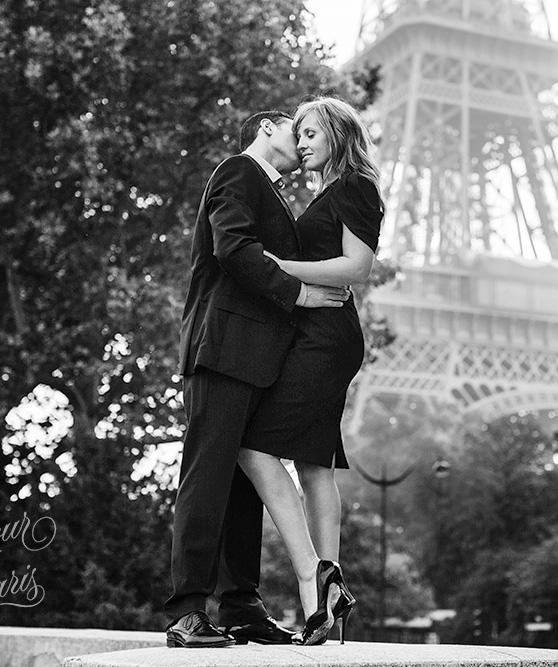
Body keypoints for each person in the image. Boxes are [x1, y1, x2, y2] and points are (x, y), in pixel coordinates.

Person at [165, 110, 352, 648]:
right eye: (300, 129)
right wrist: (301, 294)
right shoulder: (238, 173)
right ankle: (186, 612)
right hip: (224, 350)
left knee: (243, 486)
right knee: (206, 477)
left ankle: (241, 606)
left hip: (258, 358)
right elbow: (233, 249)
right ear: (269, 126)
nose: (306, 141)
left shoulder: (270, 192)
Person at [237, 97, 384, 646]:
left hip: (327, 336)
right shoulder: (330, 192)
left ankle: (314, 573)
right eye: (296, 135)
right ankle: (324, 596)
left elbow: (357, 267)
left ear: (339, 133)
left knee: (252, 445)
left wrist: (277, 267)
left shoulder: (356, 187)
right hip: (314, 333)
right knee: (314, 463)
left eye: (310, 133)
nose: (301, 143)